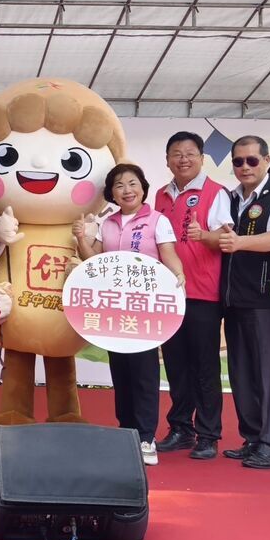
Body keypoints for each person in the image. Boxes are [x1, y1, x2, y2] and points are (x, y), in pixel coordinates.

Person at [193, 136, 270, 470]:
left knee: (269, 373)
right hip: (234, 298)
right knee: (241, 372)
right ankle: (253, 438)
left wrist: (238, 242)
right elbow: (219, 237)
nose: (244, 167)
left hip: (267, 299)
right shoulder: (230, 197)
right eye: (238, 161)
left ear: (267, 161)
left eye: (252, 160)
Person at [77, 163, 184, 466]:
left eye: (133, 183)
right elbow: (93, 261)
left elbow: (169, 255)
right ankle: (127, 433)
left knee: (144, 374)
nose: (127, 190)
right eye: (120, 185)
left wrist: (179, 276)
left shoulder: (158, 220)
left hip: (145, 311)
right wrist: (81, 239)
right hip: (114, 310)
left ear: (143, 188)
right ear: (112, 193)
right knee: (121, 373)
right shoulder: (108, 223)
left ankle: (146, 438)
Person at [152, 131, 232, 460]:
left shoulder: (216, 192)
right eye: (176, 153)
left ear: (201, 157)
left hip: (202, 291)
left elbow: (226, 238)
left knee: (205, 366)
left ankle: (209, 434)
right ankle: (181, 428)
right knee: (175, 364)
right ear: (167, 159)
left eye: (189, 153)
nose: (183, 159)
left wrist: (204, 235)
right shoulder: (160, 195)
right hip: (169, 293)